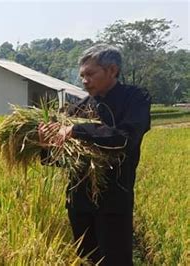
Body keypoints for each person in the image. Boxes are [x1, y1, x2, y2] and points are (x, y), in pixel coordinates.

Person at [38, 44, 151, 265]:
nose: (84, 80)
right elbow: (60, 161)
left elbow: (124, 138)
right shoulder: (78, 108)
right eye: (82, 75)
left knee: (115, 260)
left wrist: (76, 130)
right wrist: (46, 146)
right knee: (86, 260)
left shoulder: (135, 99)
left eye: (90, 74)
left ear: (112, 70)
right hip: (79, 202)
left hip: (113, 201)